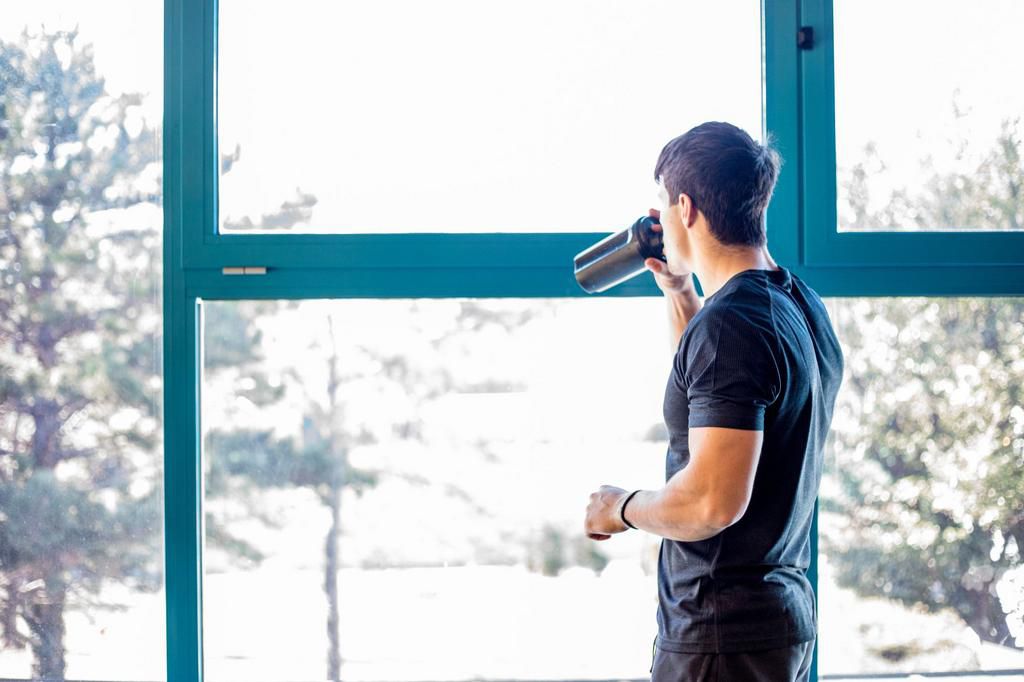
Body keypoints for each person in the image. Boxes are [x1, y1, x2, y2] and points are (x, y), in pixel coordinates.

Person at [583, 121, 844, 681]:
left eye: (662, 205)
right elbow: (715, 393)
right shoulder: (798, 304)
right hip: (771, 623)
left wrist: (620, 507)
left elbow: (711, 503)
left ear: (686, 208)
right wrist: (679, 291)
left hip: (720, 636)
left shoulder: (732, 328)